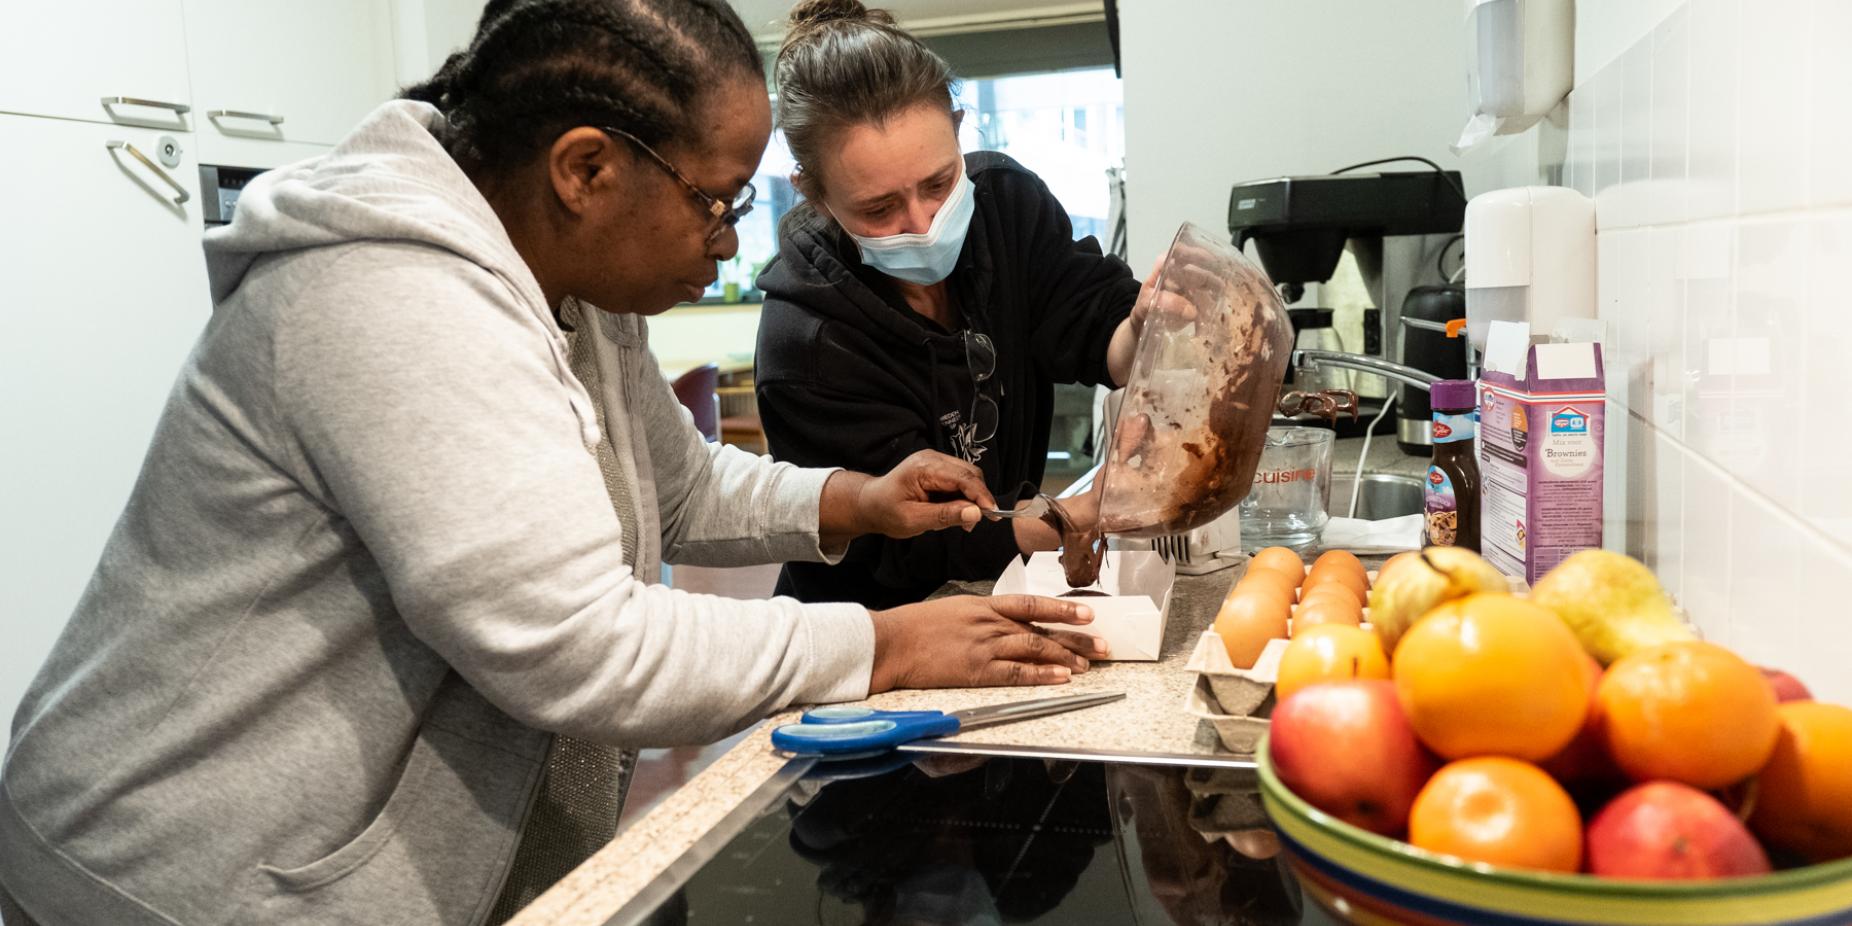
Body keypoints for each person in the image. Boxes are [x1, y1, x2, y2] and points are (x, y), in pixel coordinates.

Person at [0, 2, 1106, 924]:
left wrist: (854, 499)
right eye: (716, 201)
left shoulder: (568, 285)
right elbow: (580, 643)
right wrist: (884, 643)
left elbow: (679, 487)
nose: (728, 242)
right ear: (585, 168)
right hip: (171, 874)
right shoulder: (392, 303)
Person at [754, 0, 1159, 609]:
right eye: (879, 208)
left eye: (939, 184)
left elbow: (1091, 324)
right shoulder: (806, 337)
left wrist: (1144, 329)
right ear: (812, 191)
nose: (923, 223)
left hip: (999, 582)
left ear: (960, 127)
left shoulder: (1006, 207)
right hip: (873, 627)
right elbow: (907, 547)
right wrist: (1069, 516)